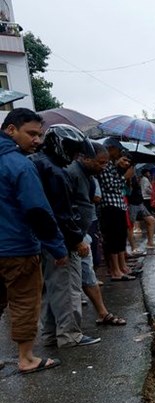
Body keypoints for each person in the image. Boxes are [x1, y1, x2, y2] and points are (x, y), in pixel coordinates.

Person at [0, 108, 67, 373]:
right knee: (25, 302)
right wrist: (57, 247)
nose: (37, 140)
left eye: (39, 135)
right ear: (10, 129)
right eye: (31, 134)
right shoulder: (20, 165)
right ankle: (26, 358)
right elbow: (38, 211)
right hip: (17, 248)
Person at [30, 124, 101, 349]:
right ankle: (70, 335)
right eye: (72, 151)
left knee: (52, 289)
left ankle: (52, 334)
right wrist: (76, 239)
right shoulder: (55, 171)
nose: (73, 156)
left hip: (43, 240)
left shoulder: (37, 163)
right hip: (60, 240)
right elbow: (63, 213)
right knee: (67, 287)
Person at [66, 140, 125, 327]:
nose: (104, 166)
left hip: (82, 233)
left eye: (106, 163)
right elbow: (66, 210)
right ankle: (68, 332)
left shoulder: (88, 176)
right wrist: (76, 237)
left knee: (87, 274)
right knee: (71, 284)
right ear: (85, 158)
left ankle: (102, 313)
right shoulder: (72, 174)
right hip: (73, 236)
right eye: (100, 162)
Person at [96, 138, 137, 281]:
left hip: (118, 204)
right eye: (117, 150)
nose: (119, 153)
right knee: (112, 240)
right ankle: (115, 270)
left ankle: (122, 267)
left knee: (120, 238)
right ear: (110, 148)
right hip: (109, 206)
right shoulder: (105, 165)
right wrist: (124, 176)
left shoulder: (112, 165)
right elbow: (111, 186)